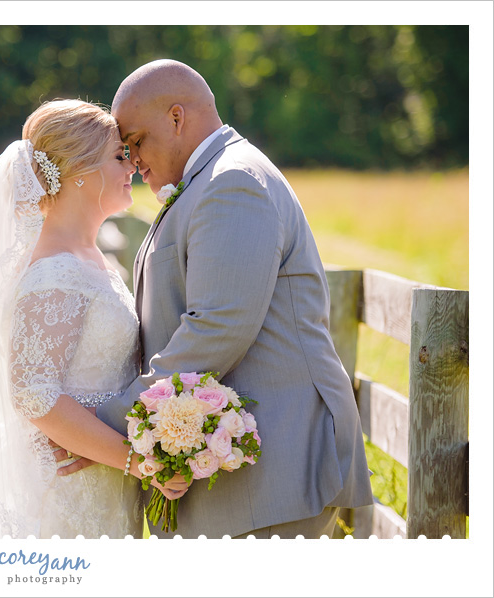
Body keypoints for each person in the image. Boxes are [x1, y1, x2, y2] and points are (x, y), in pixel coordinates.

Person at [63, 59, 374, 538]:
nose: (132, 158)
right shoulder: (208, 179)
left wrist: (103, 424)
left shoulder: (233, 182)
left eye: (137, 141)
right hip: (245, 474)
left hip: (278, 469)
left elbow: (216, 327)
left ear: (176, 117)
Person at [0, 99, 188, 539]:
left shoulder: (92, 258)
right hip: (66, 494)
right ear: (79, 172)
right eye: (119, 155)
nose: (133, 165)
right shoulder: (54, 274)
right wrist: (138, 461)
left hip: (101, 477)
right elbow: (33, 394)